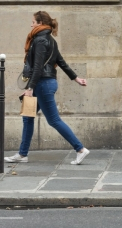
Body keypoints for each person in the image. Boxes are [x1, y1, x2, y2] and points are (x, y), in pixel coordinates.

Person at [5, 11, 90, 165]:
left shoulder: (40, 41)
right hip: (43, 83)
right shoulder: (50, 40)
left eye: (33, 21)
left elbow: (37, 67)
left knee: (54, 120)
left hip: (42, 84)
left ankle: (80, 149)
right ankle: (22, 154)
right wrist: (76, 78)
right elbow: (62, 62)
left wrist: (30, 87)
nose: (31, 24)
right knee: (27, 118)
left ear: (40, 23)